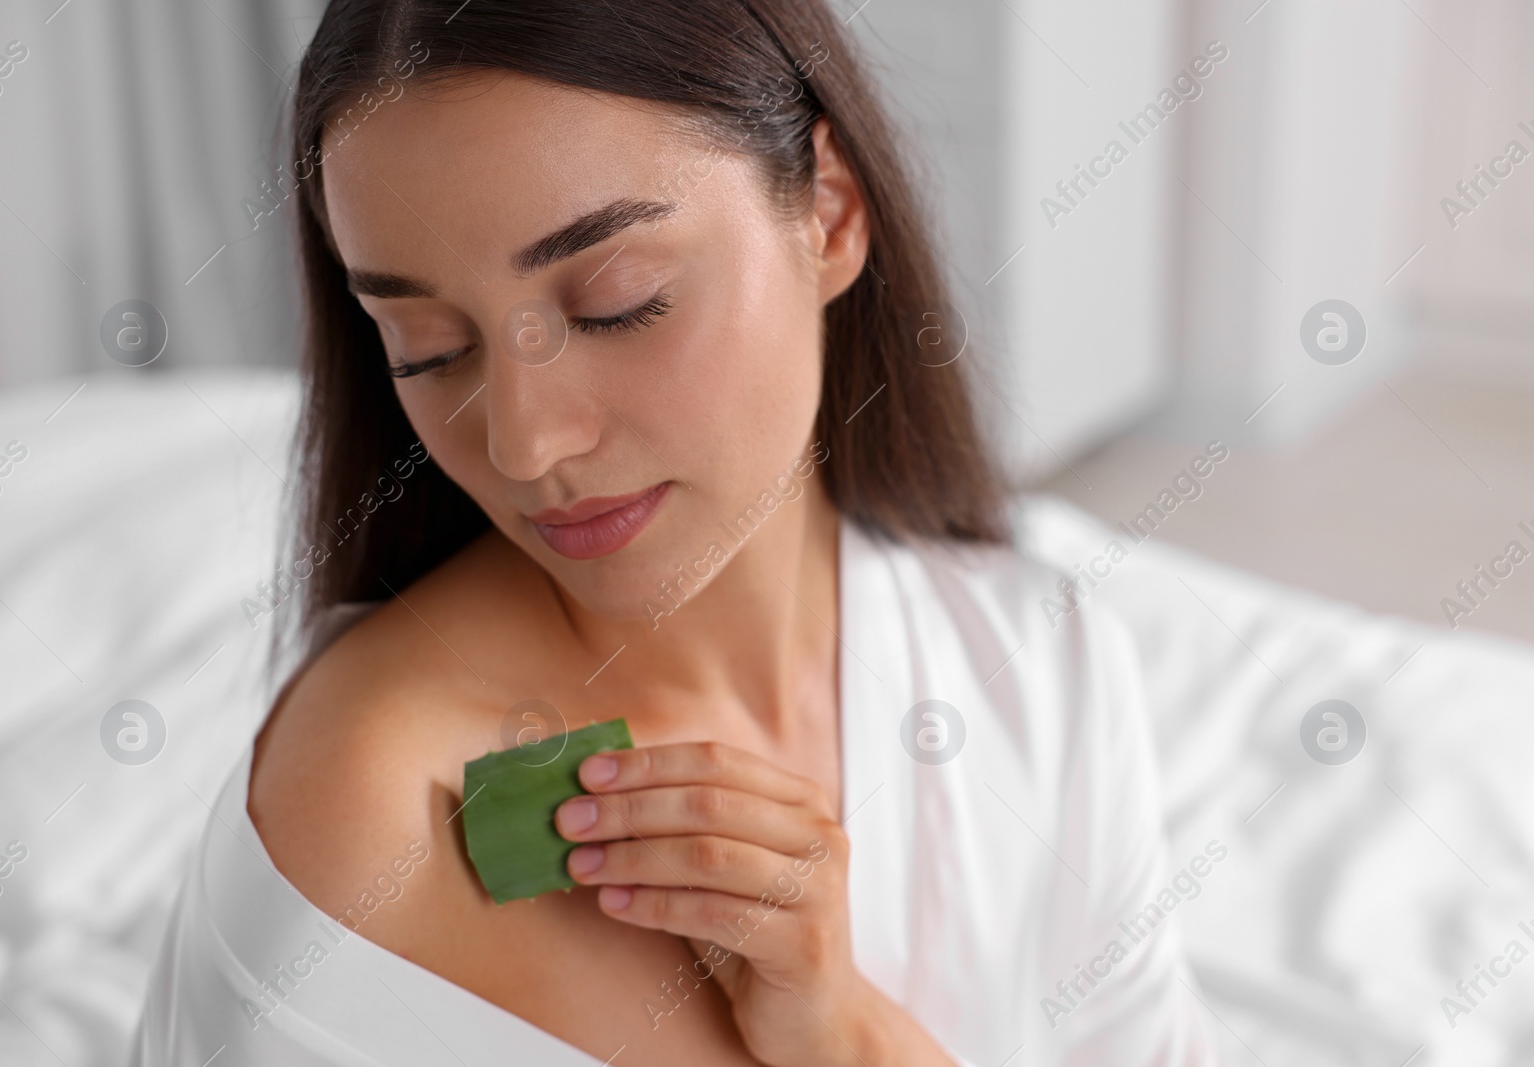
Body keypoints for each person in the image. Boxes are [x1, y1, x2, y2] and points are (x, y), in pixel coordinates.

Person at [132, 2, 1217, 1063]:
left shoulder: (1041, 664)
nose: (523, 443)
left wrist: (843, 1031)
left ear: (828, 212)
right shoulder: (381, 814)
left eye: (618, 300)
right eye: (425, 346)